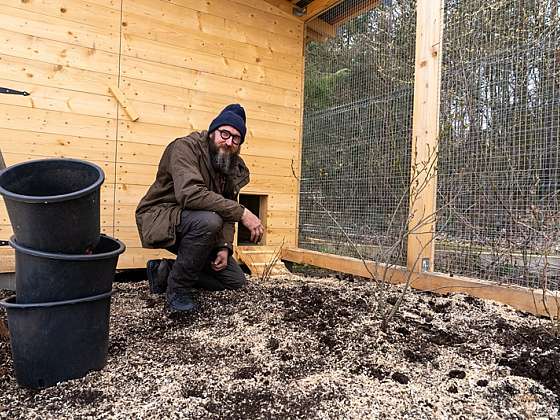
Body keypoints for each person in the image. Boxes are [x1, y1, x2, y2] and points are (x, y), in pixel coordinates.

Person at [135, 104, 264, 312]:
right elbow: (190, 194)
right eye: (225, 133)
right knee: (208, 221)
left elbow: (225, 207)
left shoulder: (229, 164)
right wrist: (243, 212)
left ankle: (164, 272)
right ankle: (177, 290)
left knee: (234, 280)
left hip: (199, 225)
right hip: (161, 216)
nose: (229, 142)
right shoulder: (185, 148)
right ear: (213, 132)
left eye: (236, 138)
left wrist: (223, 246)